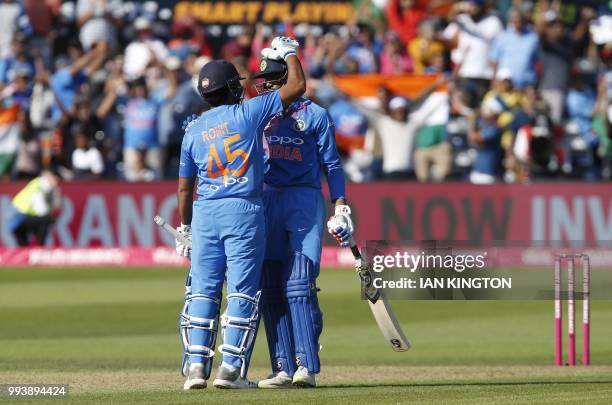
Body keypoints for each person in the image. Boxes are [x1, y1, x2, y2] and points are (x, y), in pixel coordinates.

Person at [175, 36, 306, 390]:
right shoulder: (248, 112)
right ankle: (230, 370)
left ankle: (196, 370)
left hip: (204, 214)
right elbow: (297, 86)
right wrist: (291, 52)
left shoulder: (193, 130)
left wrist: (186, 226)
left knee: (202, 291)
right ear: (233, 89)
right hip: (243, 210)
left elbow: (185, 188)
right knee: (243, 290)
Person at [251, 57, 352, 389]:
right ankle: (281, 367)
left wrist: (340, 205)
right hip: (266, 198)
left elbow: (332, 164)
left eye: (269, 78)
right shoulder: (259, 112)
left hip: (303, 199)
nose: (263, 84)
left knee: (298, 283)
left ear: (285, 78)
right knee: (270, 285)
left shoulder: (315, 115)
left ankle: (305, 366)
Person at [6, 169, 62, 246]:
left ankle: (26, 250)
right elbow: (42, 210)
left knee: (23, 243)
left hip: (17, 217)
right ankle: (40, 247)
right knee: (47, 219)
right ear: (50, 177)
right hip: (19, 217)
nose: (57, 182)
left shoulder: (38, 183)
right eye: (55, 179)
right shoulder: (41, 186)